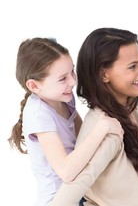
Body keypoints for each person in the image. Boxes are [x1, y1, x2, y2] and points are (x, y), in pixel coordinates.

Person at [51, 28, 138, 206]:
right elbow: (64, 200)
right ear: (104, 74)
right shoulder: (107, 131)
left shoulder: (131, 112)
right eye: (133, 66)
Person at [8, 37, 123, 206]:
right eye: (62, 78)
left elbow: (82, 137)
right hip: (60, 199)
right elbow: (66, 172)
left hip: (81, 190)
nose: (73, 82)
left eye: (72, 72)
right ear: (34, 86)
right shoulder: (38, 114)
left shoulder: (64, 97)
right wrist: (102, 128)